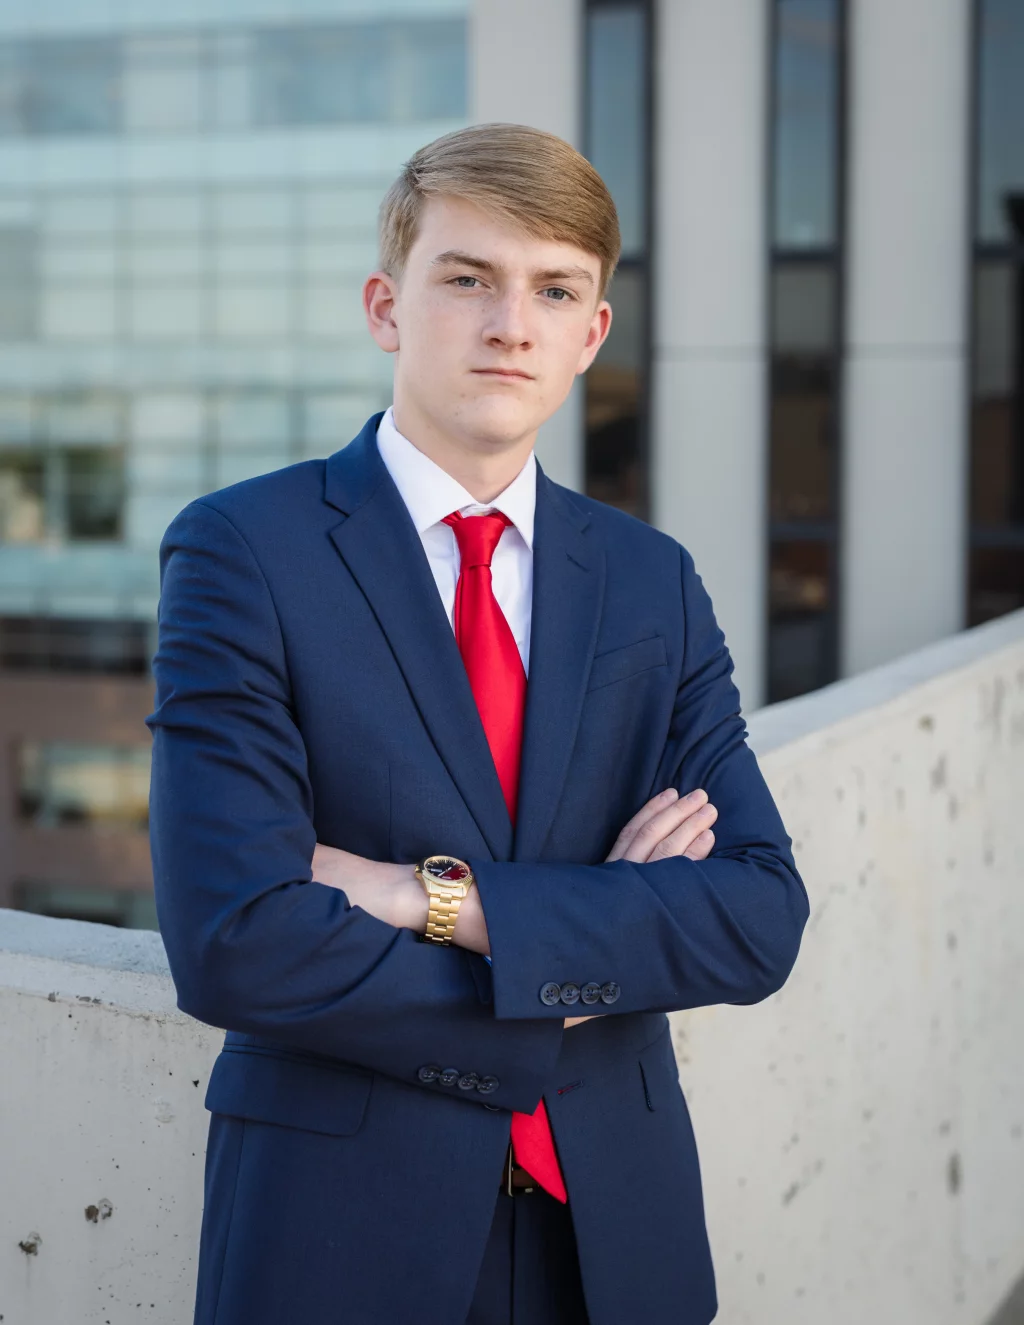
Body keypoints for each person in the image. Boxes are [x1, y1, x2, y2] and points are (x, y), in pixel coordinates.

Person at [145, 121, 809, 1325]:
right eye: (468, 278)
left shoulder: (651, 580)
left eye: (554, 289)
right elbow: (236, 933)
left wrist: (433, 898)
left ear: (590, 333)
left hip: (614, 1233)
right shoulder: (244, 549)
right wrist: (590, 939)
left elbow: (757, 916)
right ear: (386, 305)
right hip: (339, 1228)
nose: (511, 322)